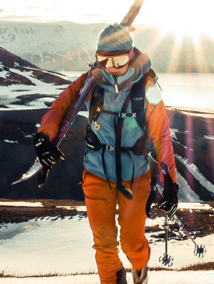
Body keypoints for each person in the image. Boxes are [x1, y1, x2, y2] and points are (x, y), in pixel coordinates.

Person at [33, 24, 179, 284]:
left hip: (135, 177)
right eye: (104, 60)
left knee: (132, 242)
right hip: (96, 173)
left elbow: (161, 136)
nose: (111, 67)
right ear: (97, 57)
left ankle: (140, 271)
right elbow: (61, 105)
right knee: (104, 244)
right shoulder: (91, 81)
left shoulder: (146, 88)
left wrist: (170, 184)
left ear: (131, 55)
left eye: (119, 60)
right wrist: (44, 137)